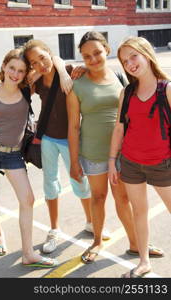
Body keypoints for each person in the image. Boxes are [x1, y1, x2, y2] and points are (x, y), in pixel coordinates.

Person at [66, 31, 164, 264]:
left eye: (97, 52)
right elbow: (73, 127)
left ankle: (135, 243)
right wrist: (73, 162)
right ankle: (97, 241)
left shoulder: (121, 75)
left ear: (107, 50)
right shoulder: (76, 84)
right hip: (93, 153)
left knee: (124, 200)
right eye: (86, 56)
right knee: (98, 197)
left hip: (124, 151)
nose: (93, 59)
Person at [23, 39, 112, 254]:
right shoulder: (37, 80)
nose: (41, 65)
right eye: (34, 63)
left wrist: (62, 70)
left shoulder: (72, 71)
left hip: (72, 140)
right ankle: (54, 229)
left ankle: (91, 222)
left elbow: (61, 61)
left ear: (50, 54)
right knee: (50, 185)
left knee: (80, 182)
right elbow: (16, 82)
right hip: (47, 139)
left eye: (43, 58)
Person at [0, 48, 58, 268]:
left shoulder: (27, 89)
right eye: (12, 68)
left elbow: (52, 61)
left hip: (14, 155)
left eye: (21, 70)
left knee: (27, 199)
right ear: (4, 67)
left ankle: (28, 254)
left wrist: (64, 71)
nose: (15, 74)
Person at [108, 36, 171, 277]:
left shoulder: (166, 89)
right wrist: (112, 161)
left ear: (146, 54)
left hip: (162, 163)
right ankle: (144, 261)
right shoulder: (127, 92)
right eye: (124, 61)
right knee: (139, 212)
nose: (130, 63)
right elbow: (119, 128)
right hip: (131, 163)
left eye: (133, 56)